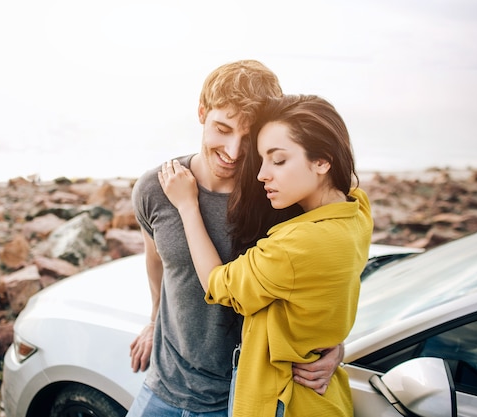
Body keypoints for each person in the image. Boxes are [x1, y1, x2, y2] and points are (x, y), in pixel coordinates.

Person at [127, 61, 343, 417]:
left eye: (248, 137)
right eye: (222, 129)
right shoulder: (157, 187)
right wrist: (153, 321)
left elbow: (320, 281)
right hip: (164, 386)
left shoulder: (278, 198)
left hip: (244, 398)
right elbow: (157, 260)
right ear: (201, 113)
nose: (234, 151)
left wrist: (336, 346)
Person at [158, 94, 373, 416]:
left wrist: (188, 206)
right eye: (261, 159)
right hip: (323, 399)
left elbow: (219, 285)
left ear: (322, 161)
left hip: (283, 402)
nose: (261, 175)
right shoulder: (358, 210)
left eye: (279, 160)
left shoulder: (294, 245)